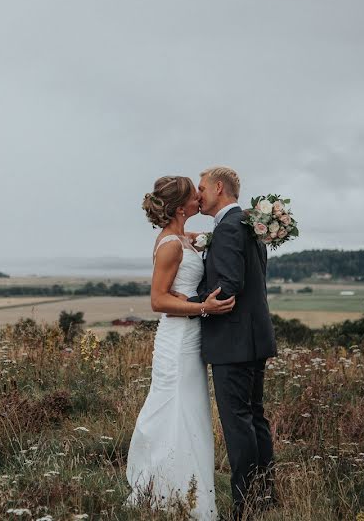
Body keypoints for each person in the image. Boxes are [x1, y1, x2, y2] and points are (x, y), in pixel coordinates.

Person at [125, 175, 236, 519]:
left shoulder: (182, 239)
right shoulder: (171, 245)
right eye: (194, 195)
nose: (199, 199)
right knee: (177, 409)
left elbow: (197, 242)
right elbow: (158, 301)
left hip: (189, 338)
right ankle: (173, 494)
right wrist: (205, 307)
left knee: (189, 413)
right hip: (177, 340)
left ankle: (179, 489)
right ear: (180, 206)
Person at [190, 166, 277, 520]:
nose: (198, 195)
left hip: (233, 341)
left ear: (219, 187)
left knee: (238, 422)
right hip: (255, 337)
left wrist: (193, 302)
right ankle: (265, 496)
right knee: (255, 419)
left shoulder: (228, 228)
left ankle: (245, 506)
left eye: (201, 188)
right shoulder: (247, 223)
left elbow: (228, 285)